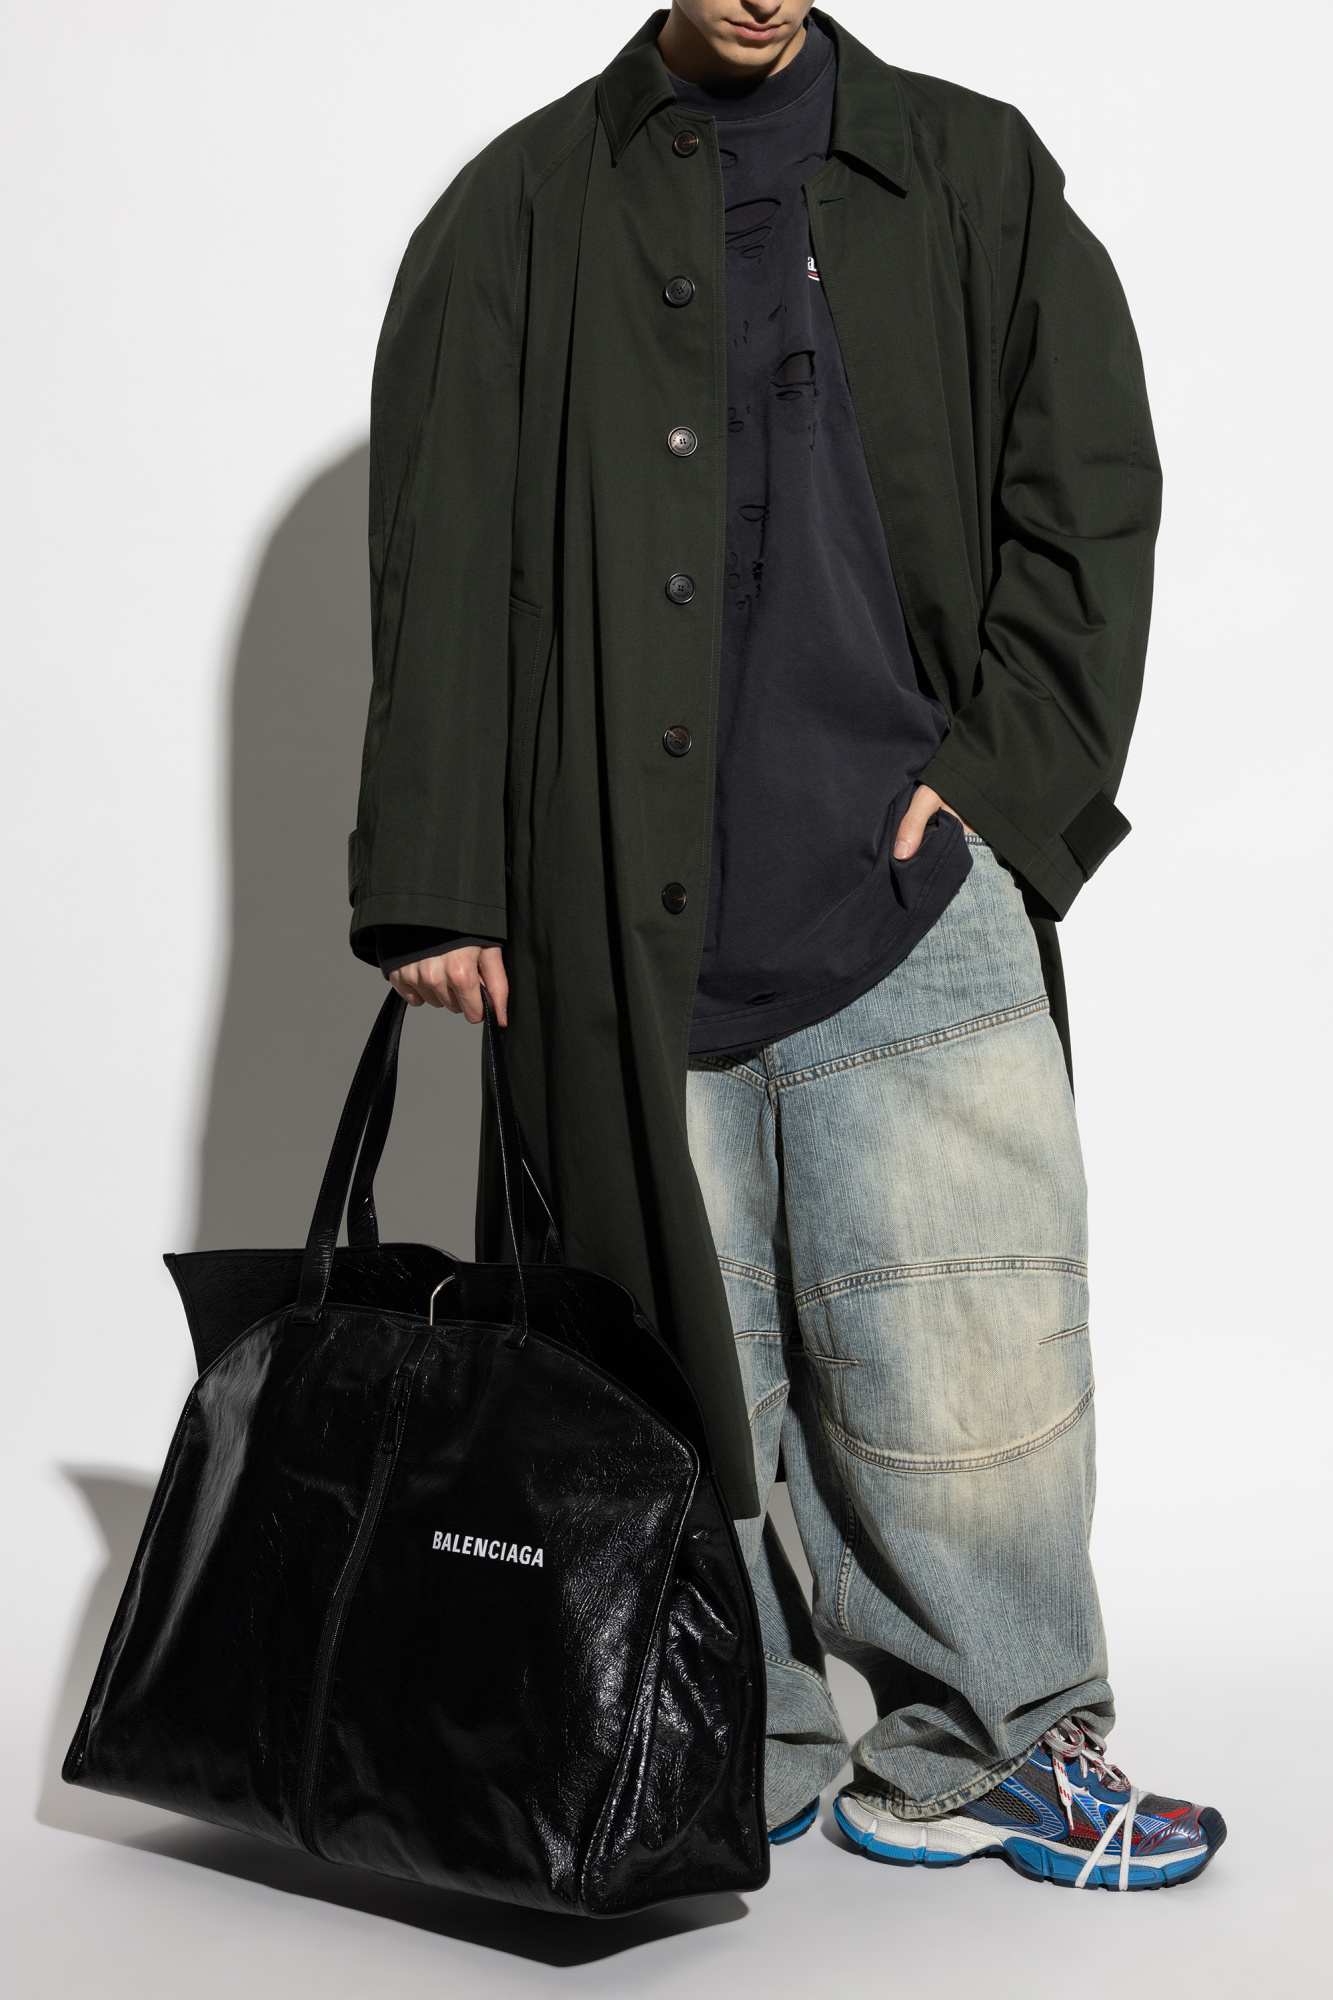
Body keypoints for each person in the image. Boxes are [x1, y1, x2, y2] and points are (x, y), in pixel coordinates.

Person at [348, 2, 1225, 1890]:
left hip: (911, 883)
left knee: (973, 1361)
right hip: (602, 899)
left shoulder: (972, 170)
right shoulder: (511, 211)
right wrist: (437, 880)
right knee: (666, 1384)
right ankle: (706, 1749)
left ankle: (992, 1749)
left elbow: (1088, 495)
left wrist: (1004, 783)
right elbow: (434, 550)